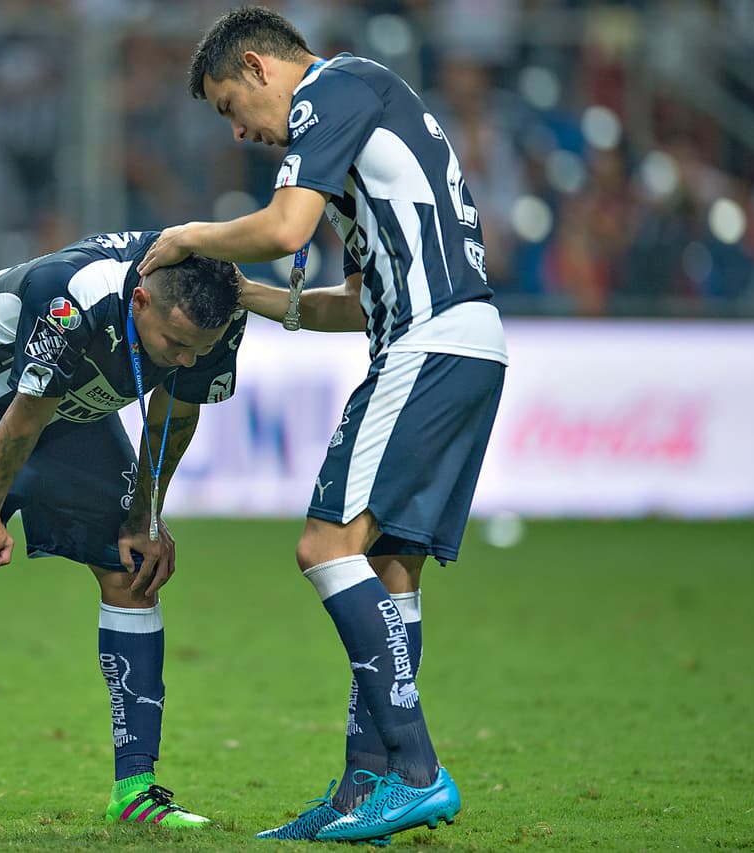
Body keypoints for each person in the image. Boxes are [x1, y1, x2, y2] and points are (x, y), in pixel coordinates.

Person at [138, 6, 508, 844]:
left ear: (264, 67)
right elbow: (352, 300)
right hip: (464, 344)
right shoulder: (361, 126)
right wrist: (248, 298)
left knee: (323, 545)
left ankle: (415, 771)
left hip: (430, 344)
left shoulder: (332, 92)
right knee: (391, 564)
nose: (238, 130)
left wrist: (187, 236)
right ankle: (361, 788)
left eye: (232, 105)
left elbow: (281, 228)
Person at [0, 230, 246, 830]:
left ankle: (136, 789)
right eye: (175, 343)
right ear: (139, 301)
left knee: (134, 569)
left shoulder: (216, 313)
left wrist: (145, 517)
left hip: (64, 409)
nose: (186, 359)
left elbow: (171, 418)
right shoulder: (72, 295)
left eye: (198, 349)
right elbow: (25, 412)